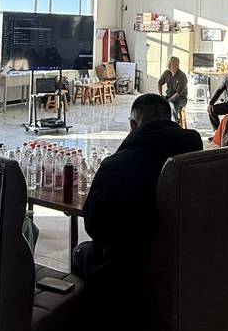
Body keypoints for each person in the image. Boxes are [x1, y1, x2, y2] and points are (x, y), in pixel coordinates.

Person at [74, 93, 203, 282]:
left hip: (130, 265)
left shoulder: (115, 165)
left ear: (133, 125)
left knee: (80, 252)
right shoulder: (193, 150)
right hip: (184, 254)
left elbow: (95, 226)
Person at [157, 56, 188, 123]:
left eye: (175, 64)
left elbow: (179, 93)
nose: (172, 66)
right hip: (169, 96)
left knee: (173, 103)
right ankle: (162, 121)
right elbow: (159, 83)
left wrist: (169, 100)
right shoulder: (167, 73)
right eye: (171, 64)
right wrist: (161, 95)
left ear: (178, 65)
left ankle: (175, 122)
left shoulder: (182, 76)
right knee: (158, 102)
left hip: (181, 98)